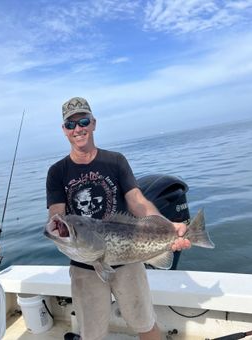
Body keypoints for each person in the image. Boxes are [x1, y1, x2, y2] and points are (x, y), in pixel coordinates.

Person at [46, 97, 191, 340]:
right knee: (91, 334)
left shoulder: (115, 161)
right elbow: (57, 214)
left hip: (129, 261)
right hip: (85, 266)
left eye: (83, 121)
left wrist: (167, 226)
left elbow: (137, 201)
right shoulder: (57, 171)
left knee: (145, 323)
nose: (77, 129)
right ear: (64, 130)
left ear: (93, 123)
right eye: (70, 125)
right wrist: (56, 225)